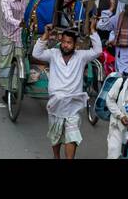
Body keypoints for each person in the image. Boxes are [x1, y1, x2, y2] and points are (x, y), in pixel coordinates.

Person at [31, 26, 103, 159]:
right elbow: (36, 53)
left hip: (73, 104)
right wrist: (46, 34)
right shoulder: (53, 54)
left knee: (72, 135)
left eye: (69, 43)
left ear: (75, 45)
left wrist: (92, 30)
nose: (65, 45)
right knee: (55, 134)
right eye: (64, 42)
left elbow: (98, 50)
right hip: (55, 102)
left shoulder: (81, 56)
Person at [0, 0, 26, 86]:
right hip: (9, 34)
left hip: (20, 34)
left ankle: (16, 86)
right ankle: (6, 88)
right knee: (6, 62)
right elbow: (8, 18)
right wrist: (19, 23)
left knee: (21, 60)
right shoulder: (5, 0)